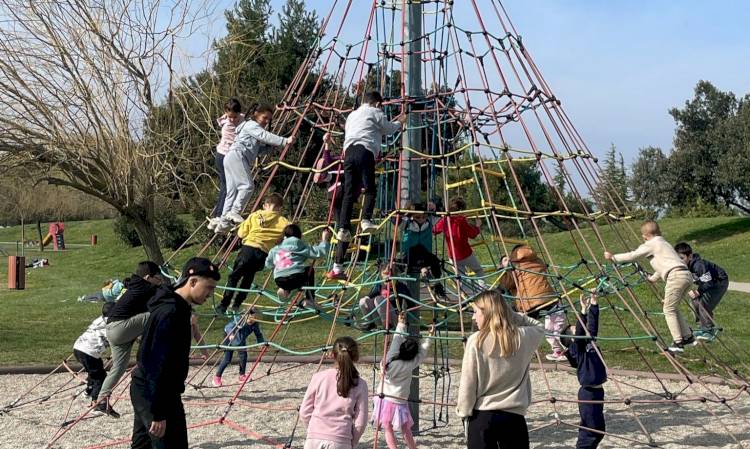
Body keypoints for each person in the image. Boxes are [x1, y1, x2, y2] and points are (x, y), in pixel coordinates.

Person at [130, 257, 219, 449]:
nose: (210, 294)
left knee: (142, 445)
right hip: (153, 392)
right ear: (193, 281)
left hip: (156, 390)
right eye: (209, 287)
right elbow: (156, 361)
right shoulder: (170, 312)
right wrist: (159, 412)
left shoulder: (178, 307)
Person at [326, 91, 406, 280]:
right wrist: (400, 121)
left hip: (349, 152)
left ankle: (344, 228)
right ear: (378, 103)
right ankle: (366, 220)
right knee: (370, 188)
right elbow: (388, 129)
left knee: (349, 192)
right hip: (365, 151)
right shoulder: (375, 112)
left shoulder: (352, 115)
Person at [456, 289, 545, 449]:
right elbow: (538, 325)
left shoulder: (476, 340)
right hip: (514, 418)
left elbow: (468, 383)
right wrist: (508, 314)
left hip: (483, 417)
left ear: (488, 312)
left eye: (476, 312)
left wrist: (464, 412)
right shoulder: (523, 337)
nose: (473, 316)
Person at [604, 221, 695, 353]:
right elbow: (665, 264)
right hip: (686, 275)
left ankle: (678, 342)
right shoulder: (665, 244)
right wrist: (653, 278)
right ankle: (688, 336)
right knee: (673, 307)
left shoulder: (651, 244)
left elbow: (633, 255)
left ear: (645, 236)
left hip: (675, 277)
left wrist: (613, 257)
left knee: (668, 309)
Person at [96, 261, 165, 418]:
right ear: (148, 277)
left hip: (114, 330)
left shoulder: (139, 286)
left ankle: (101, 400)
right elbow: (166, 294)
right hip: (120, 328)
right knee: (156, 314)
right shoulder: (145, 287)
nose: (159, 281)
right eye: (157, 278)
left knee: (118, 368)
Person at [215, 104, 295, 233]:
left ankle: (223, 223)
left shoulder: (249, 128)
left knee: (232, 192)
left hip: (230, 157)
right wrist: (284, 141)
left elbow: (256, 149)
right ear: (256, 114)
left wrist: (271, 148)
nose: (267, 121)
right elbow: (265, 136)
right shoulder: (252, 125)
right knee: (247, 186)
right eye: (265, 117)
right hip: (237, 156)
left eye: (269, 119)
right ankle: (234, 212)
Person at [216, 192, 289, 316]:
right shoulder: (284, 222)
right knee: (248, 278)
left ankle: (224, 304)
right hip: (263, 255)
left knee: (234, 276)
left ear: (266, 205)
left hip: (249, 249)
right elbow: (290, 236)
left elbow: (241, 233)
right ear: (279, 208)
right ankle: (237, 304)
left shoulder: (255, 215)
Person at [373, 313, 434, 449]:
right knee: (406, 428)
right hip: (399, 400)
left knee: (387, 427)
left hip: (384, 397)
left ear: (401, 348)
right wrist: (430, 336)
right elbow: (423, 352)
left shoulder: (390, 357)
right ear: (413, 354)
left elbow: (397, 338)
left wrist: (401, 323)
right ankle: (413, 448)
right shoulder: (411, 363)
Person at [499, 244, 566, 362]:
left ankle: (523, 350)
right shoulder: (536, 260)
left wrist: (503, 271)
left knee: (521, 326)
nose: (508, 259)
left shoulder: (513, 267)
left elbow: (507, 284)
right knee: (553, 325)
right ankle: (559, 349)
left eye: (508, 257)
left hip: (530, 302)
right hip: (548, 297)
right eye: (505, 259)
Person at [300, 336, 369, 449]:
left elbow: (304, 411)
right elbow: (360, 422)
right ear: (356, 357)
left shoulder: (318, 377)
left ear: (333, 354)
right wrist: (353, 442)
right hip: (341, 439)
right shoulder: (360, 384)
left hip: (314, 439)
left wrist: (313, 430)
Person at [560, 295, 607, 449]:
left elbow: (591, 328)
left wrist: (594, 304)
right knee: (591, 431)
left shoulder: (588, 343)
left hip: (598, 392)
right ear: (572, 340)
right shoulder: (578, 348)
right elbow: (581, 332)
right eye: (576, 331)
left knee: (598, 431)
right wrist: (582, 311)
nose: (582, 329)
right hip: (588, 394)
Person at [265, 224, 331, 309]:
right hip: (296, 277)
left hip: (279, 279)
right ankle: (309, 299)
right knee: (309, 270)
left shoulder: (275, 248)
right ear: (299, 235)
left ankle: (285, 290)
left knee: (290, 277)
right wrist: (324, 239)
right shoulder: (299, 245)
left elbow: (268, 264)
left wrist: (276, 265)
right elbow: (318, 252)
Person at [674, 242, 729, 341]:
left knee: (703, 305)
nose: (680, 261)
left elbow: (709, 282)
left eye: (682, 258)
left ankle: (709, 331)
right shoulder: (685, 265)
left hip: (718, 283)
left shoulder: (699, 265)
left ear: (690, 256)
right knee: (694, 302)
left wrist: (698, 292)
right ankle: (703, 327)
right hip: (707, 284)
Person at [208, 98, 245, 230]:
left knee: (230, 186)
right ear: (226, 113)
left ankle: (220, 215)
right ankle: (220, 216)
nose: (233, 120)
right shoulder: (226, 123)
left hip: (231, 157)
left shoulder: (243, 119)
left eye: (235, 117)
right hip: (223, 156)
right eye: (230, 117)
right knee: (228, 186)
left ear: (239, 113)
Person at [433, 197, 485, 288]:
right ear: (461, 210)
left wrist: (441, 219)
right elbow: (472, 234)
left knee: (461, 278)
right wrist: (477, 226)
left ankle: (464, 296)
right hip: (465, 254)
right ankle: (483, 290)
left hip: (453, 256)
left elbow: (435, 230)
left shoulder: (445, 220)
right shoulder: (461, 220)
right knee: (479, 270)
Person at [399, 201, 447, 299]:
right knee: (401, 264)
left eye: (424, 217)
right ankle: (398, 288)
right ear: (411, 216)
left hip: (424, 253)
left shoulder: (429, 221)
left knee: (435, 261)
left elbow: (443, 214)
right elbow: (395, 219)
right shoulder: (407, 223)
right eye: (417, 217)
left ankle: (437, 284)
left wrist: (436, 206)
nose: (421, 220)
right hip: (409, 255)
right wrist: (404, 212)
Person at [73, 302, 115, 408]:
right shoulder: (110, 325)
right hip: (88, 352)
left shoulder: (100, 320)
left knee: (96, 370)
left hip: (79, 347)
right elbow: (116, 338)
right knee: (100, 377)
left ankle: (89, 390)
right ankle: (96, 403)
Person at [213, 310, 265, 387]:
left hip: (240, 340)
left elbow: (259, 335)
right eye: (251, 319)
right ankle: (217, 377)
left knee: (243, 357)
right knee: (227, 359)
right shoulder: (239, 319)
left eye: (254, 319)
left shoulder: (255, 324)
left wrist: (261, 343)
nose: (252, 322)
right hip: (229, 338)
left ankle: (242, 375)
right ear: (246, 316)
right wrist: (231, 334)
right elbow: (228, 327)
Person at [358, 265, 413, 330]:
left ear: (394, 275)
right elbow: (369, 296)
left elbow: (411, 304)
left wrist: (404, 313)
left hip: (394, 317)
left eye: (389, 274)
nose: (387, 276)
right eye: (385, 274)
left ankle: (387, 324)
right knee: (363, 301)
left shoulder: (401, 286)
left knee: (378, 299)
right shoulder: (380, 285)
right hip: (379, 317)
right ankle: (370, 323)